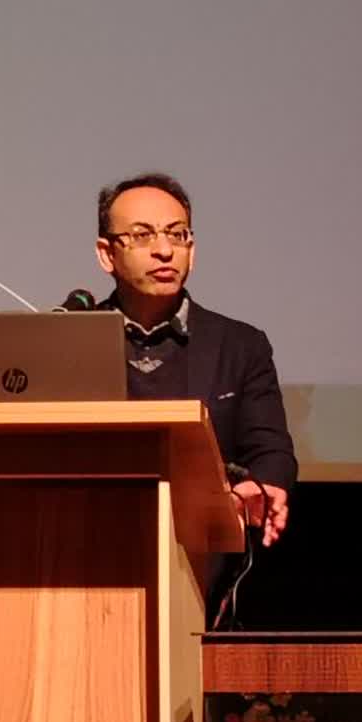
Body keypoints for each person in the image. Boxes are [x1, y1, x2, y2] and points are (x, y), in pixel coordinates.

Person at [93, 172, 298, 548]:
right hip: (87, 544)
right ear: (107, 254)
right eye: (142, 235)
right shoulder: (73, 341)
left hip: (202, 555)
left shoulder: (240, 345)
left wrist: (262, 484)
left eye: (177, 234)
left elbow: (271, 450)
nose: (164, 250)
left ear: (193, 248)